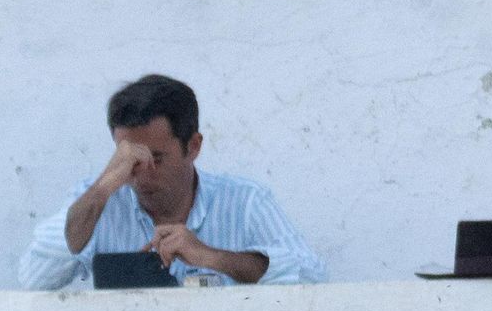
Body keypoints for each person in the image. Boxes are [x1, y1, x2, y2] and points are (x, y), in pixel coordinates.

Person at [18, 74, 326, 290]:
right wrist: (104, 186)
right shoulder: (98, 202)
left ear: (193, 146)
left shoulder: (246, 202)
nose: (141, 174)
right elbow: (34, 278)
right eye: (129, 160)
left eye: (157, 158)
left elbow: (313, 279)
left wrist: (212, 257)